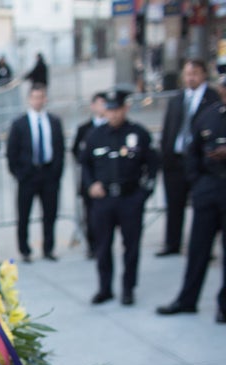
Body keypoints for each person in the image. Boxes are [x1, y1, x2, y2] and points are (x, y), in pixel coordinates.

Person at [80, 88, 159, 306]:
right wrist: (90, 185)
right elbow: (84, 164)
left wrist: (145, 192)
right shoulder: (95, 135)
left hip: (130, 198)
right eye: (109, 110)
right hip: (104, 201)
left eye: (117, 110)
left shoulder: (138, 133)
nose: (112, 114)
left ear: (125, 108)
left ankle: (128, 288)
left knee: (131, 247)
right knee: (103, 246)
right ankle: (105, 288)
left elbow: (152, 164)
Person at [157, 75, 226, 323]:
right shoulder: (209, 116)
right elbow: (192, 152)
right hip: (208, 189)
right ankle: (187, 300)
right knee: (198, 249)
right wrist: (198, 184)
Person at [157, 59, 218, 256]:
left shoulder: (213, 98)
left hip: (201, 162)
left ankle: (203, 249)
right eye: (187, 74)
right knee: (174, 203)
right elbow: (168, 130)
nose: (190, 77)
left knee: (202, 206)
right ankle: (172, 243)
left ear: (203, 74)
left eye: (195, 73)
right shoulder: (177, 99)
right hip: (175, 160)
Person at [6, 84, 65, 262]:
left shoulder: (54, 121)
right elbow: (12, 151)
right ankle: (24, 250)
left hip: (48, 174)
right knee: (24, 214)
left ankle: (48, 248)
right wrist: (19, 173)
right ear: (29, 99)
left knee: (50, 214)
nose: (38, 100)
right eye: (35, 97)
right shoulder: (19, 124)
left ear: (45, 99)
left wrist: (56, 172)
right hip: (27, 175)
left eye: (41, 97)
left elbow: (59, 148)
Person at [72, 91, 109, 258]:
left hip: (109, 179)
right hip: (90, 179)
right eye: (99, 103)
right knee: (90, 216)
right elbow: (77, 153)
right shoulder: (84, 129)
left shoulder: (112, 128)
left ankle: (105, 245)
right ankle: (93, 246)